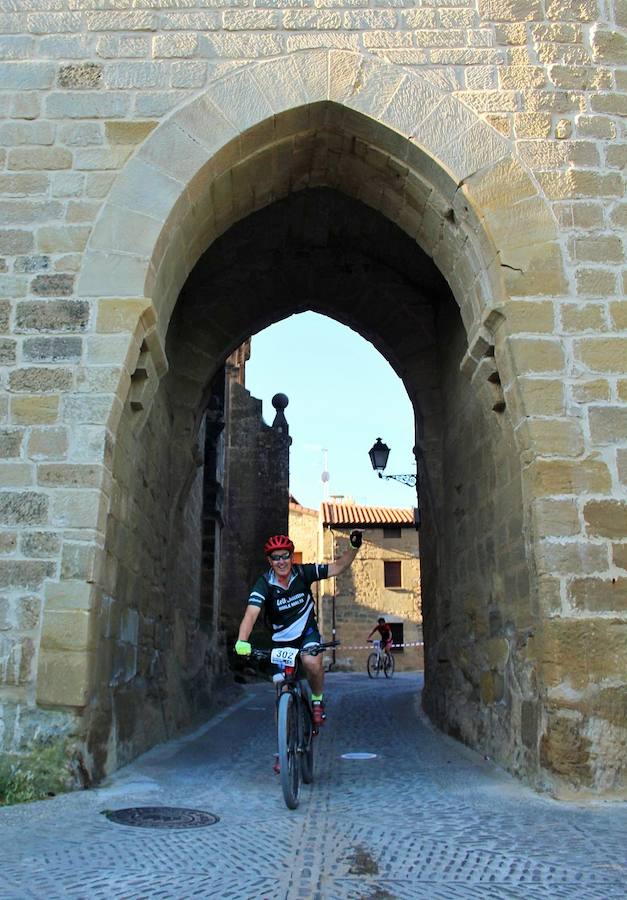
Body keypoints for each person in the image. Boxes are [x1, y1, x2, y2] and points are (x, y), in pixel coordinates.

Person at [234, 530, 362, 727]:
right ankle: (283, 749)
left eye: (285, 556)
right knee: (282, 690)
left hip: (307, 635)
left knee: (311, 662)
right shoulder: (265, 583)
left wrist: (354, 546)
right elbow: (251, 613)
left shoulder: (303, 573)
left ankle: (317, 700)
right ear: (270, 561)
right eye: (275, 558)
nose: (281, 561)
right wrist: (242, 641)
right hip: (281, 643)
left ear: (291, 557)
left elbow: (338, 566)